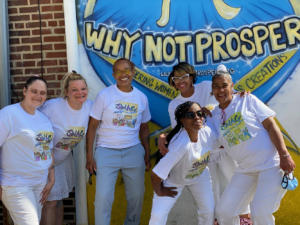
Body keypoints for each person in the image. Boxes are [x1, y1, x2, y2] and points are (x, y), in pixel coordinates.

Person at [158, 62, 251, 224]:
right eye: (176, 78)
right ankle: (216, 220)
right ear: (172, 81)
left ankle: (244, 217)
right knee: (212, 187)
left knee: (235, 179)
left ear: (192, 77)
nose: (180, 81)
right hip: (204, 152)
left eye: (184, 76)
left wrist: (240, 95)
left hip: (224, 145)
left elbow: (226, 95)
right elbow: (179, 132)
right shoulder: (174, 105)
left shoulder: (207, 86)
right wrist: (163, 137)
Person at [210, 65, 296, 225]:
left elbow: (271, 126)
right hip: (245, 170)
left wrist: (284, 155)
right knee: (224, 212)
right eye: (216, 87)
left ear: (232, 86)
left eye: (224, 86)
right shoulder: (214, 115)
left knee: (260, 212)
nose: (220, 91)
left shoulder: (246, 99)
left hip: (271, 165)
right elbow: (206, 137)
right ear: (212, 90)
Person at [86, 58, 151, 225]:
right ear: (114, 75)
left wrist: (147, 153)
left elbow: (144, 128)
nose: (124, 74)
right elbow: (92, 126)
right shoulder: (104, 95)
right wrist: (89, 157)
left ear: (133, 72)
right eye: (119, 71)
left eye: (127, 70)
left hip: (133, 150)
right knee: (103, 198)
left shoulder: (141, 98)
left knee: (137, 197)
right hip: (106, 151)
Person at [149, 101, 216, 225]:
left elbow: (221, 105)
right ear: (182, 120)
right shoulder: (180, 146)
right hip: (175, 181)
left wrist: (240, 94)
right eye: (190, 115)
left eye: (199, 113)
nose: (196, 117)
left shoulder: (208, 132)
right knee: (157, 217)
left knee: (208, 211)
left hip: (200, 176)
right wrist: (160, 191)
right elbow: (155, 175)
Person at [39, 71, 93, 225]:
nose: (80, 93)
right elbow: (33, 124)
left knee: (58, 200)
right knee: (49, 202)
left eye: (83, 89)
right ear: (66, 92)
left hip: (63, 160)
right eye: (74, 90)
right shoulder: (52, 107)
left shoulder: (89, 106)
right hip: (46, 161)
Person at [0, 76, 54, 225]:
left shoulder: (44, 119)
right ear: (25, 91)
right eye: (34, 91)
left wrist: (51, 178)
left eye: (42, 93)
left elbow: (47, 150)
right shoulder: (9, 114)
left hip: (39, 184)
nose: (38, 96)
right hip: (16, 184)